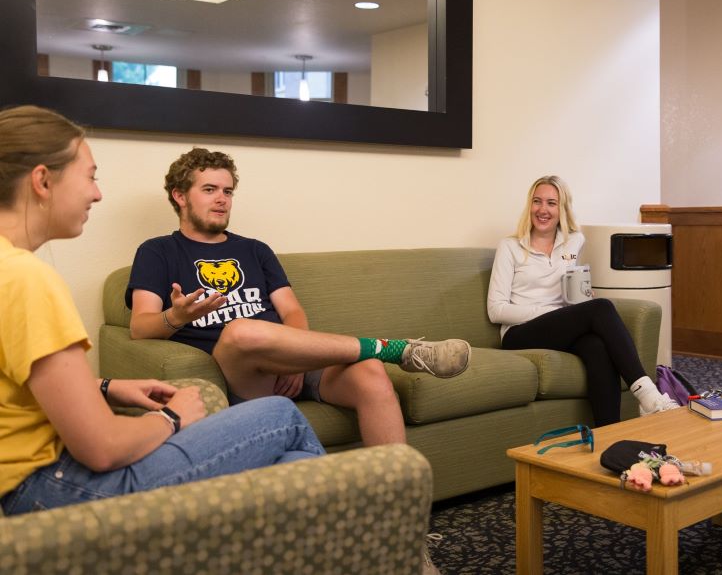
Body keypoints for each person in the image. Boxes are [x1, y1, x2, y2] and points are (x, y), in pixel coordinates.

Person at [0, 105, 326, 516]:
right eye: (90, 176)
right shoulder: (26, 278)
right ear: (43, 181)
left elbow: (15, 386)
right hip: (58, 486)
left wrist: (105, 386)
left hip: (27, 486)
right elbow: (101, 448)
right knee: (282, 416)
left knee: (290, 464)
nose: (97, 193)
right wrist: (171, 418)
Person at [126, 148, 471, 448]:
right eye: (210, 189)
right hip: (243, 369)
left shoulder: (254, 249)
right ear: (180, 196)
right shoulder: (158, 252)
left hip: (291, 359)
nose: (222, 199)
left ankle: (402, 513)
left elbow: (291, 310)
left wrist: (295, 358)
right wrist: (178, 316)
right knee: (241, 330)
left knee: (371, 374)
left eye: (228, 191)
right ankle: (395, 348)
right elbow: (140, 327)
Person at [487, 175, 677, 428]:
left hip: (556, 328)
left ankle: (608, 435)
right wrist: (552, 312)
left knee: (596, 345)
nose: (543, 210)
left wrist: (580, 300)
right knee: (602, 308)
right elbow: (496, 310)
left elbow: (570, 291)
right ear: (529, 206)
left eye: (551, 203)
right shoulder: (510, 247)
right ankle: (647, 394)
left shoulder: (574, 241)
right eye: (537, 202)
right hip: (518, 333)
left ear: (562, 209)